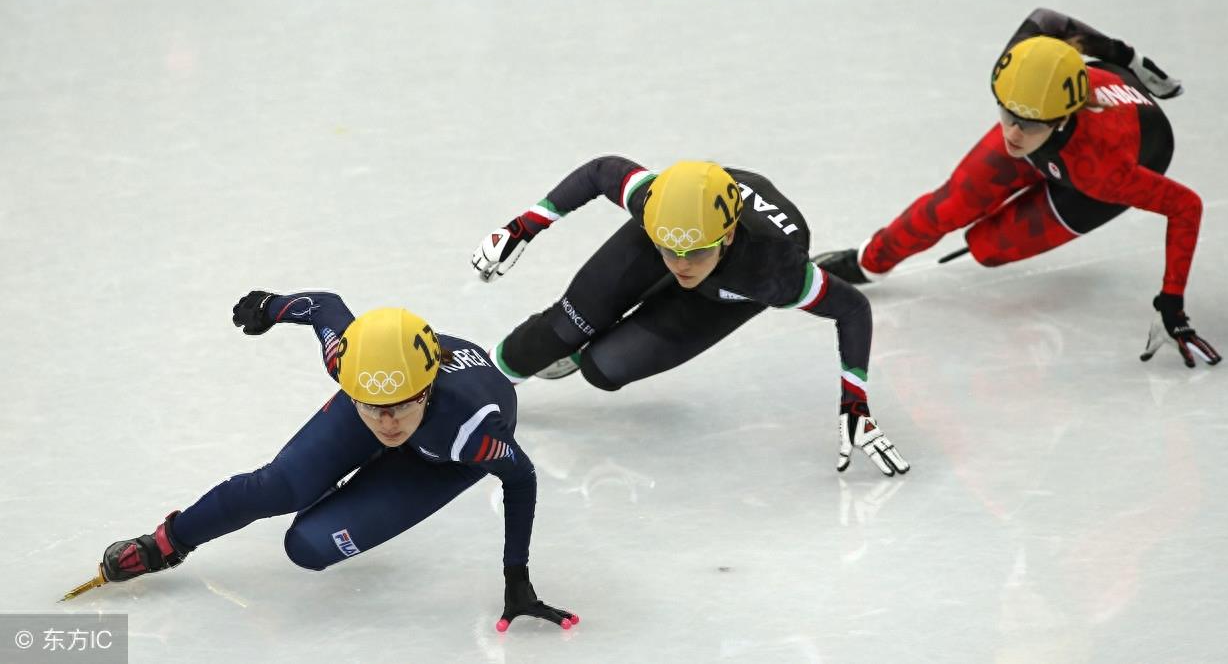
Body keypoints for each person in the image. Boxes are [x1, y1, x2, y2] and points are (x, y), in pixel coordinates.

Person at [72, 291, 577, 632]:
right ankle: (167, 542)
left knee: (307, 546)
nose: (387, 423)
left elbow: (523, 478)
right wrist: (272, 306)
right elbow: (328, 307)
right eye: (371, 409)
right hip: (405, 401)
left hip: (441, 455)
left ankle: (377, 470)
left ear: (425, 390)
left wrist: (517, 576)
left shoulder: (471, 434)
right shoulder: (349, 363)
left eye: (400, 407)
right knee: (281, 486)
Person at [813, 7, 1221, 369]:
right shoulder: (1024, 77)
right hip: (1071, 117)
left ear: (1062, 119)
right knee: (951, 204)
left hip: (1106, 168)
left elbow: (1186, 207)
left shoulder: (1104, 169)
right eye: (1005, 113)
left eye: (1026, 124)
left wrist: (1171, 304)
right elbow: (1049, 21)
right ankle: (866, 262)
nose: (1012, 133)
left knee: (988, 248)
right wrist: (1128, 56)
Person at [470, 159, 909, 476]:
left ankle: (589, 349)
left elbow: (853, 308)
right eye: (670, 250)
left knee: (603, 369)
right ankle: (492, 375)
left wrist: (856, 402)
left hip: (730, 288)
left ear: (729, 233)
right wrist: (521, 228)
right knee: (561, 330)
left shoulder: (775, 272)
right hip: (677, 238)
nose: (681, 263)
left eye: (695, 253)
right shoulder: (658, 203)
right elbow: (599, 171)